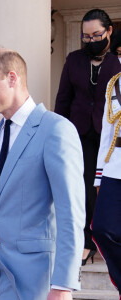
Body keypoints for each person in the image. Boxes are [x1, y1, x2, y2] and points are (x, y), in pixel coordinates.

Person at [0, 46, 85, 300]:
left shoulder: (56, 129)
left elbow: (71, 216)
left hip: (39, 284)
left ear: (12, 78)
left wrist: (63, 285)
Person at [54, 8, 121, 266]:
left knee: (101, 187)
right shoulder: (73, 60)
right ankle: (83, 241)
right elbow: (63, 100)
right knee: (79, 188)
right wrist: (59, 134)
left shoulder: (117, 62)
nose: (91, 41)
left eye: (96, 35)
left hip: (109, 137)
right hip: (77, 134)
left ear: (109, 31)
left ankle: (99, 238)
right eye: (86, 37)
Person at [92, 72, 121, 297]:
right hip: (115, 166)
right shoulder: (114, 83)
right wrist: (100, 175)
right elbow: (107, 131)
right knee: (102, 229)